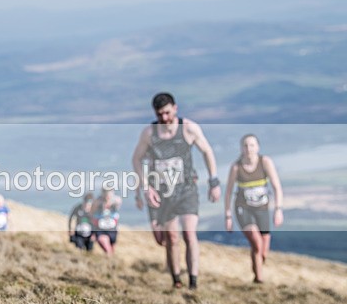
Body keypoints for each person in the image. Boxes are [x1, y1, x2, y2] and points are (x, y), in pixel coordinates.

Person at [131, 92, 221, 289]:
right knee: (170, 238)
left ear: (175, 108)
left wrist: (213, 181)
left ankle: (194, 282)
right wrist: (146, 187)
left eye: (167, 112)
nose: (164, 118)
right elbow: (136, 159)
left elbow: (207, 151)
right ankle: (176, 280)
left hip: (187, 189)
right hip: (163, 192)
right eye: (159, 114)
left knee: (189, 233)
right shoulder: (149, 133)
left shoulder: (189, 128)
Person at [224, 134, 284, 283]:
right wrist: (228, 216)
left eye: (251, 145)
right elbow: (228, 192)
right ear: (241, 148)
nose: (248, 149)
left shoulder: (265, 162)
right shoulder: (236, 167)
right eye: (245, 145)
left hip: (262, 209)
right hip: (243, 209)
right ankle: (259, 279)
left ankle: (257, 270)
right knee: (256, 243)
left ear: (258, 147)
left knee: (263, 250)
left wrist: (278, 209)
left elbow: (277, 187)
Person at [91, 185, 122, 257]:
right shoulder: (97, 201)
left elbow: (119, 201)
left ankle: (112, 262)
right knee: (104, 244)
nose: (107, 196)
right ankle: (110, 257)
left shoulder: (116, 200)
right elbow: (92, 213)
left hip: (112, 229)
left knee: (111, 248)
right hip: (100, 228)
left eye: (110, 193)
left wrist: (110, 202)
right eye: (105, 193)